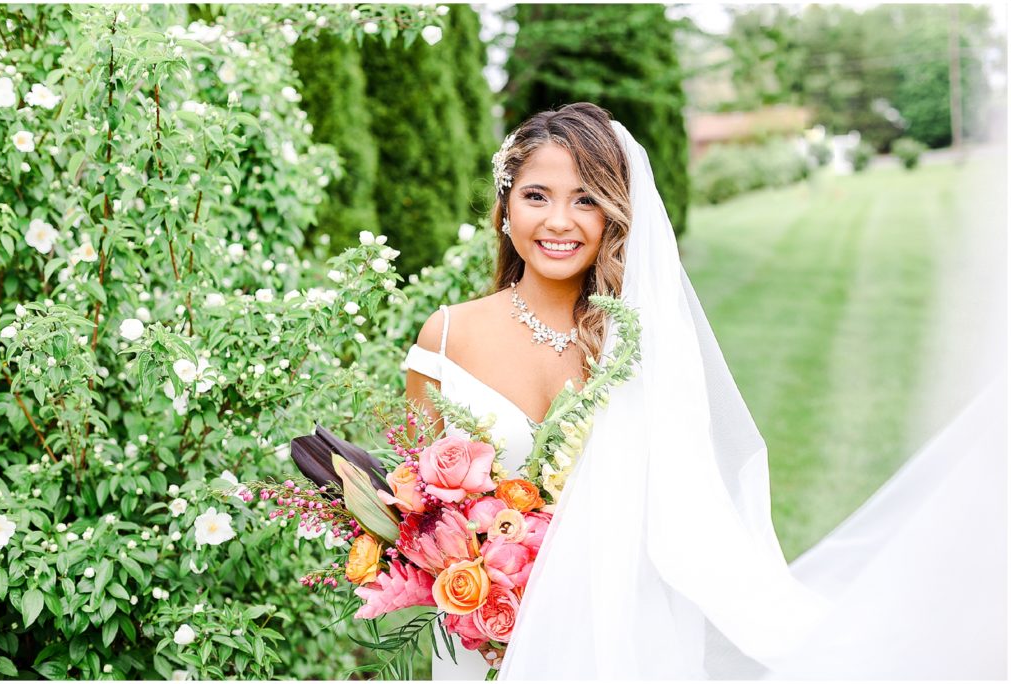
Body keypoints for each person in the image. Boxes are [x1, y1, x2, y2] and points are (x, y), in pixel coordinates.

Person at [404, 102, 1007, 680]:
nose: (559, 221)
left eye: (585, 199)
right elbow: (415, 505)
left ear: (615, 215)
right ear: (506, 206)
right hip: (474, 636)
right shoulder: (446, 336)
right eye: (537, 196)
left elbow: (687, 509)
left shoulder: (644, 346)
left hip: (618, 635)